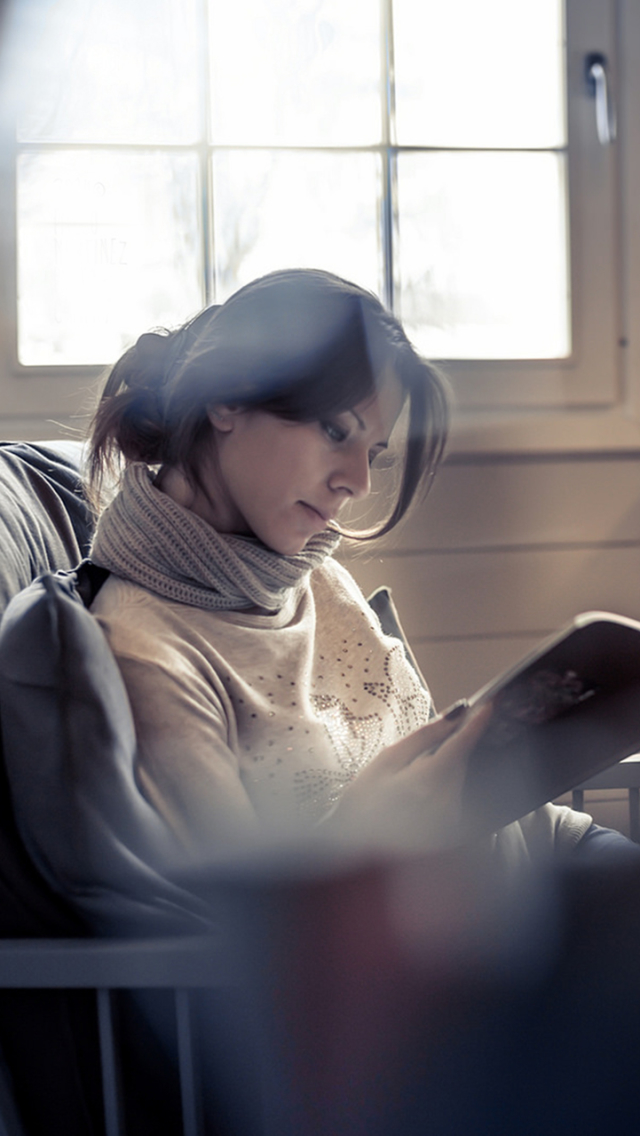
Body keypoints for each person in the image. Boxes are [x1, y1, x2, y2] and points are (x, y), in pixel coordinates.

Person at [85, 268, 610, 869]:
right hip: (469, 935)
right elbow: (253, 929)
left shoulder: (307, 569)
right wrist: (362, 832)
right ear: (226, 399)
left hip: (548, 851)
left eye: (373, 453)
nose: (358, 483)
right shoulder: (145, 652)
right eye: (337, 430)